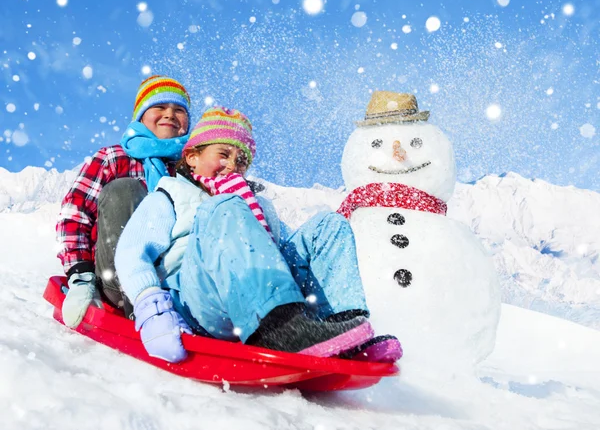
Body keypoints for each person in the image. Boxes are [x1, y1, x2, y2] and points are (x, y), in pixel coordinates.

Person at [114, 106, 403, 362]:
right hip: (201, 301)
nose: (232, 166)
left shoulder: (257, 204)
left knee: (328, 225)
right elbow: (132, 251)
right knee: (225, 206)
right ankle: (277, 328)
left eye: (241, 161)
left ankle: (344, 328)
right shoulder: (171, 193)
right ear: (191, 156)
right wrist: (153, 309)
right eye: (223, 154)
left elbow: (290, 253)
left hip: (257, 294)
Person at [56, 75, 191, 328]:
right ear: (141, 117)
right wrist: (80, 276)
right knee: (125, 190)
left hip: (176, 283)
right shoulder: (113, 158)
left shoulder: (191, 169)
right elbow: (75, 214)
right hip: (117, 279)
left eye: (179, 110)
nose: (170, 115)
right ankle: (139, 307)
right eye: (159, 107)